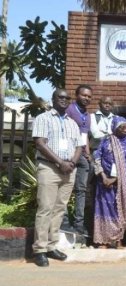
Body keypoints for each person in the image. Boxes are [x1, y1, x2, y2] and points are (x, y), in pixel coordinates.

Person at [31, 89, 84, 267]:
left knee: (59, 209)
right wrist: (60, 162)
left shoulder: (73, 123)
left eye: (67, 98)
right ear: (53, 99)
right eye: (60, 97)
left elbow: (79, 146)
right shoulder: (43, 118)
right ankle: (39, 249)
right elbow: (40, 143)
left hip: (69, 170)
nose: (64, 100)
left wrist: (72, 163)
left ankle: (52, 246)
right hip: (49, 168)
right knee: (45, 208)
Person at [92, 116, 126, 248]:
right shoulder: (106, 141)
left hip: (121, 184)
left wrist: (115, 179)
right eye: (121, 127)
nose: (124, 130)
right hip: (103, 183)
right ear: (114, 127)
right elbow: (97, 157)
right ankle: (103, 240)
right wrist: (103, 176)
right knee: (103, 210)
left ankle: (118, 240)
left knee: (119, 211)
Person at [62, 84, 93, 236]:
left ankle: (79, 223)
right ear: (76, 95)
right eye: (84, 95)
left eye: (89, 96)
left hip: (81, 155)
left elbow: (84, 136)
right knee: (66, 187)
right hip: (68, 155)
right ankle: (64, 220)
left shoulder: (87, 115)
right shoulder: (69, 110)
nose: (86, 98)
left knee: (81, 190)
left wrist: (88, 154)